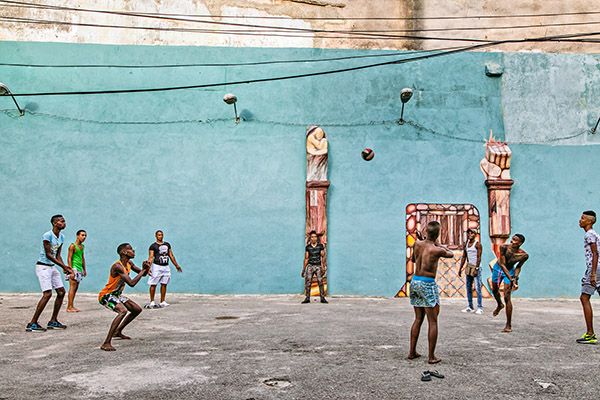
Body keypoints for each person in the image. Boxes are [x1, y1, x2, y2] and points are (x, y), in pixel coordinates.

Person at [408, 221, 453, 364]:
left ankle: (412, 352)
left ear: (426, 231)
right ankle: (431, 356)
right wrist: (439, 243)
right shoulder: (437, 250)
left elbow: (413, 259)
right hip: (427, 284)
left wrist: (424, 239)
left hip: (415, 282)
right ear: (438, 234)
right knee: (433, 321)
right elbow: (450, 254)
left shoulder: (417, 244)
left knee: (418, 319)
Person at [99, 243, 151, 351]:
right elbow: (132, 283)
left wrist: (145, 269)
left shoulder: (129, 263)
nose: (133, 251)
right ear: (124, 252)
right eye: (131, 250)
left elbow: (143, 274)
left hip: (117, 295)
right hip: (106, 295)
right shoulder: (117, 266)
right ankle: (106, 342)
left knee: (136, 309)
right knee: (122, 311)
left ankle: (118, 331)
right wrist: (143, 271)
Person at [26, 215, 73, 332]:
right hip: (43, 267)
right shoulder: (47, 235)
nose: (64, 223)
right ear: (54, 223)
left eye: (64, 221)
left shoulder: (61, 237)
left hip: (52, 267)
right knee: (47, 294)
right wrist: (62, 266)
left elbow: (57, 255)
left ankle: (53, 320)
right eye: (61, 221)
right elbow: (48, 254)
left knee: (61, 292)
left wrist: (65, 267)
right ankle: (32, 323)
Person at [490, 234, 529, 333]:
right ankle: (499, 305)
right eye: (512, 239)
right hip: (499, 268)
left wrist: (515, 278)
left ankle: (508, 325)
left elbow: (518, 267)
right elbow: (502, 264)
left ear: (520, 243)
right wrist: (511, 278)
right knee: (494, 289)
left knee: (507, 297)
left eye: (515, 240)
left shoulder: (524, 255)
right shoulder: (503, 247)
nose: (511, 241)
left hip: (510, 271)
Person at [577, 211, 600, 344]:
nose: (580, 220)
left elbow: (595, 254)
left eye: (583, 218)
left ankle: (590, 334)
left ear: (589, 221)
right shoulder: (594, 234)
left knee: (584, 297)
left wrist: (592, 274)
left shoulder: (589, 234)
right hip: (597, 268)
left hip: (595, 268)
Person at [145, 230, 182, 308]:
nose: (160, 236)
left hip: (166, 266)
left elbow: (171, 255)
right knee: (153, 284)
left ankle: (162, 301)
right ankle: (152, 301)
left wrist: (176, 265)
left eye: (161, 235)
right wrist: (148, 267)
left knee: (164, 284)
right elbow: (151, 257)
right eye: (159, 235)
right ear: (156, 236)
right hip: (157, 266)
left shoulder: (167, 244)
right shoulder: (153, 246)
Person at [458, 229, 483, 314]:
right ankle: (470, 306)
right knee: (468, 287)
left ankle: (480, 307)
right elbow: (464, 257)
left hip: (476, 267)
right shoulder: (466, 244)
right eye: (469, 233)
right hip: (469, 267)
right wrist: (460, 268)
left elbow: (479, 257)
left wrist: (477, 268)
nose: (470, 234)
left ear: (475, 234)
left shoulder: (478, 244)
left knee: (477, 287)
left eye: (472, 233)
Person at [301, 231, 328, 304]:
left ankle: (322, 298)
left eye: (315, 237)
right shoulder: (308, 247)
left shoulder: (320, 246)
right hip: (310, 266)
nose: (314, 238)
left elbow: (323, 256)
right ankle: (307, 298)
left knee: (320, 282)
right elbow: (306, 258)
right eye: (312, 237)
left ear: (317, 238)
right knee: (308, 282)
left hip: (318, 266)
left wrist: (324, 266)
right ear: (310, 238)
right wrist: (304, 270)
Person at [66, 230, 87, 312]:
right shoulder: (72, 246)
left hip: (79, 269)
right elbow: (69, 258)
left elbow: (82, 258)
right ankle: (69, 307)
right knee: (72, 287)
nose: (84, 237)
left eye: (85, 235)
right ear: (77, 236)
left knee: (75, 288)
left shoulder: (82, 246)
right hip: (74, 268)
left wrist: (84, 269)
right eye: (82, 235)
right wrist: (71, 270)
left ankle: (72, 305)